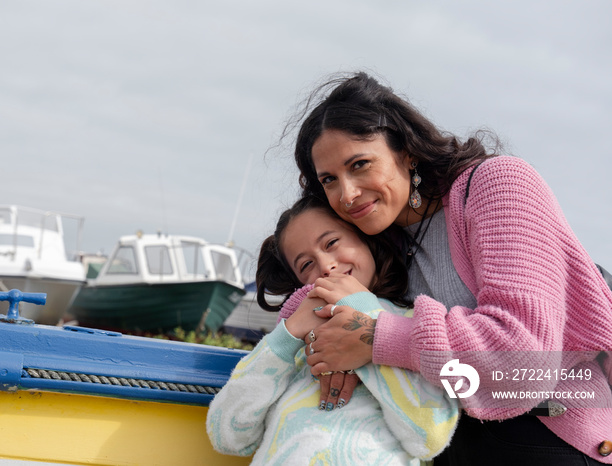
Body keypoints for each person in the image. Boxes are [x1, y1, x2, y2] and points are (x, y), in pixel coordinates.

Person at [289, 71, 612, 465]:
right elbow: (320, 311)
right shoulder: (374, 243)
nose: (347, 193)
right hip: (451, 447)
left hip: (548, 437)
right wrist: (328, 348)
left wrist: (375, 339)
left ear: (407, 153)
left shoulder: (497, 184)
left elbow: (524, 358)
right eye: (329, 180)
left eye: (359, 164)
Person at [206, 195, 459, 465]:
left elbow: (430, 436)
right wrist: (287, 336)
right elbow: (228, 437)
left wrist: (363, 320)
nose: (326, 266)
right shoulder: (293, 344)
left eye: (331, 243)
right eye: (306, 265)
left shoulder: (411, 327)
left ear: (366, 239)